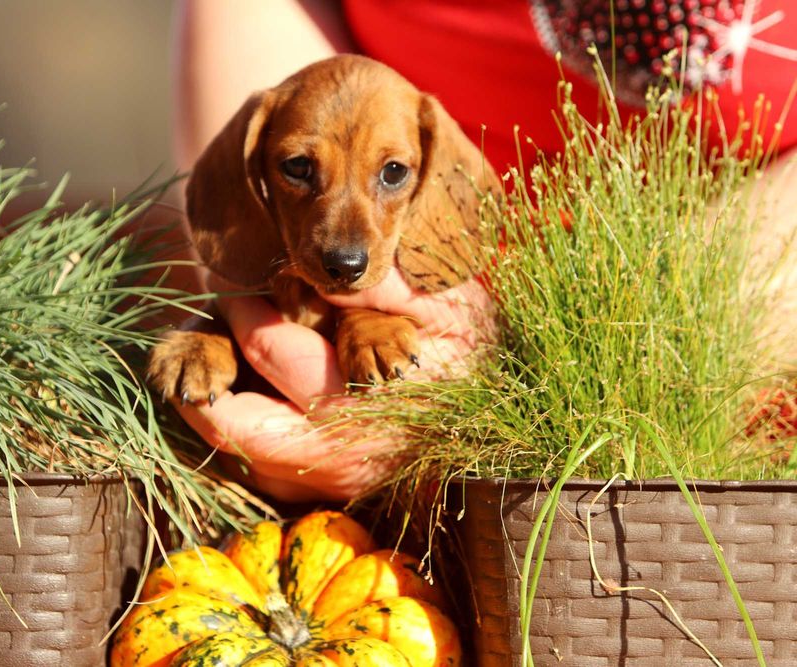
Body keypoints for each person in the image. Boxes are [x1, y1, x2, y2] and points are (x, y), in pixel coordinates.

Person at [170, 0, 797, 502]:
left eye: (393, 173)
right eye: (300, 167)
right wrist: (248, 314)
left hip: (730, 449)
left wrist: (498, 370)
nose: (344, 237)